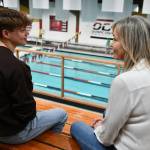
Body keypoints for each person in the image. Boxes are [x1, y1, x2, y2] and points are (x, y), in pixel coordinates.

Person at [71, 15, 150, 150]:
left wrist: (99, 127)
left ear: (129, 43)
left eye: (115, 39)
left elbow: (105, 139)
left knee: (76, 126)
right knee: (105, 114)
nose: (111, 44)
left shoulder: (125, 81)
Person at [0, 7, 67, 144]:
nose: (27, 34)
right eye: (22, 30)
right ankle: (48, 144)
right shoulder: (16, 67)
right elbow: (27, 113)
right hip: (10, 134)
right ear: (6, 33)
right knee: (61, 114)